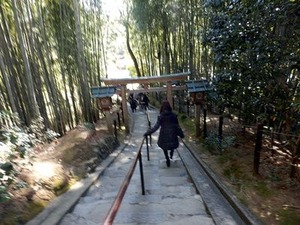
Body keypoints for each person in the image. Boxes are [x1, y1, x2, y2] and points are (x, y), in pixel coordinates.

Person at [144, 100, 184, 167]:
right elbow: (177, 126)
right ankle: (171, 153)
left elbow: (156, 126)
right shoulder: (174, 115)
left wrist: (148, 132)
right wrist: (181, 134)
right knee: (172, 145)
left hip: (164, 135)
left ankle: (167, 158)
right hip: (173, 134)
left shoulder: (161, 116)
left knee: (164, 147)